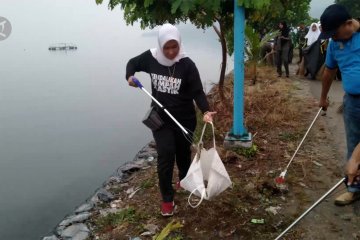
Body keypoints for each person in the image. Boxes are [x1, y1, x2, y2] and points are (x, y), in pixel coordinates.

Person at [126, 24, 216, 216]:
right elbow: (132, 63)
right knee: (166, 155)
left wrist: (206, 111)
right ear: (160, 45)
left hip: (184, 119)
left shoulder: (187, 65)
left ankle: (184, 180)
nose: (170, 51)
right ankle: (167, 200)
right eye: (166, 47)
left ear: (179, 44)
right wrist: (130, 77)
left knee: (183, 154)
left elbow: (197, 92)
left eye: (174, 46)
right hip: (160, 119)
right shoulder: (151, 58)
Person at [318, 4, 360, 206]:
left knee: (356, 156)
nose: (332, 37)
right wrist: (323, 98)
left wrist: (355, 160)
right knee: (353, 145)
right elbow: (329, 72)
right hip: (352, 101)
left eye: (335, 33)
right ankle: (354, 189)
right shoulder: (335, 44)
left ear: (348, 24)